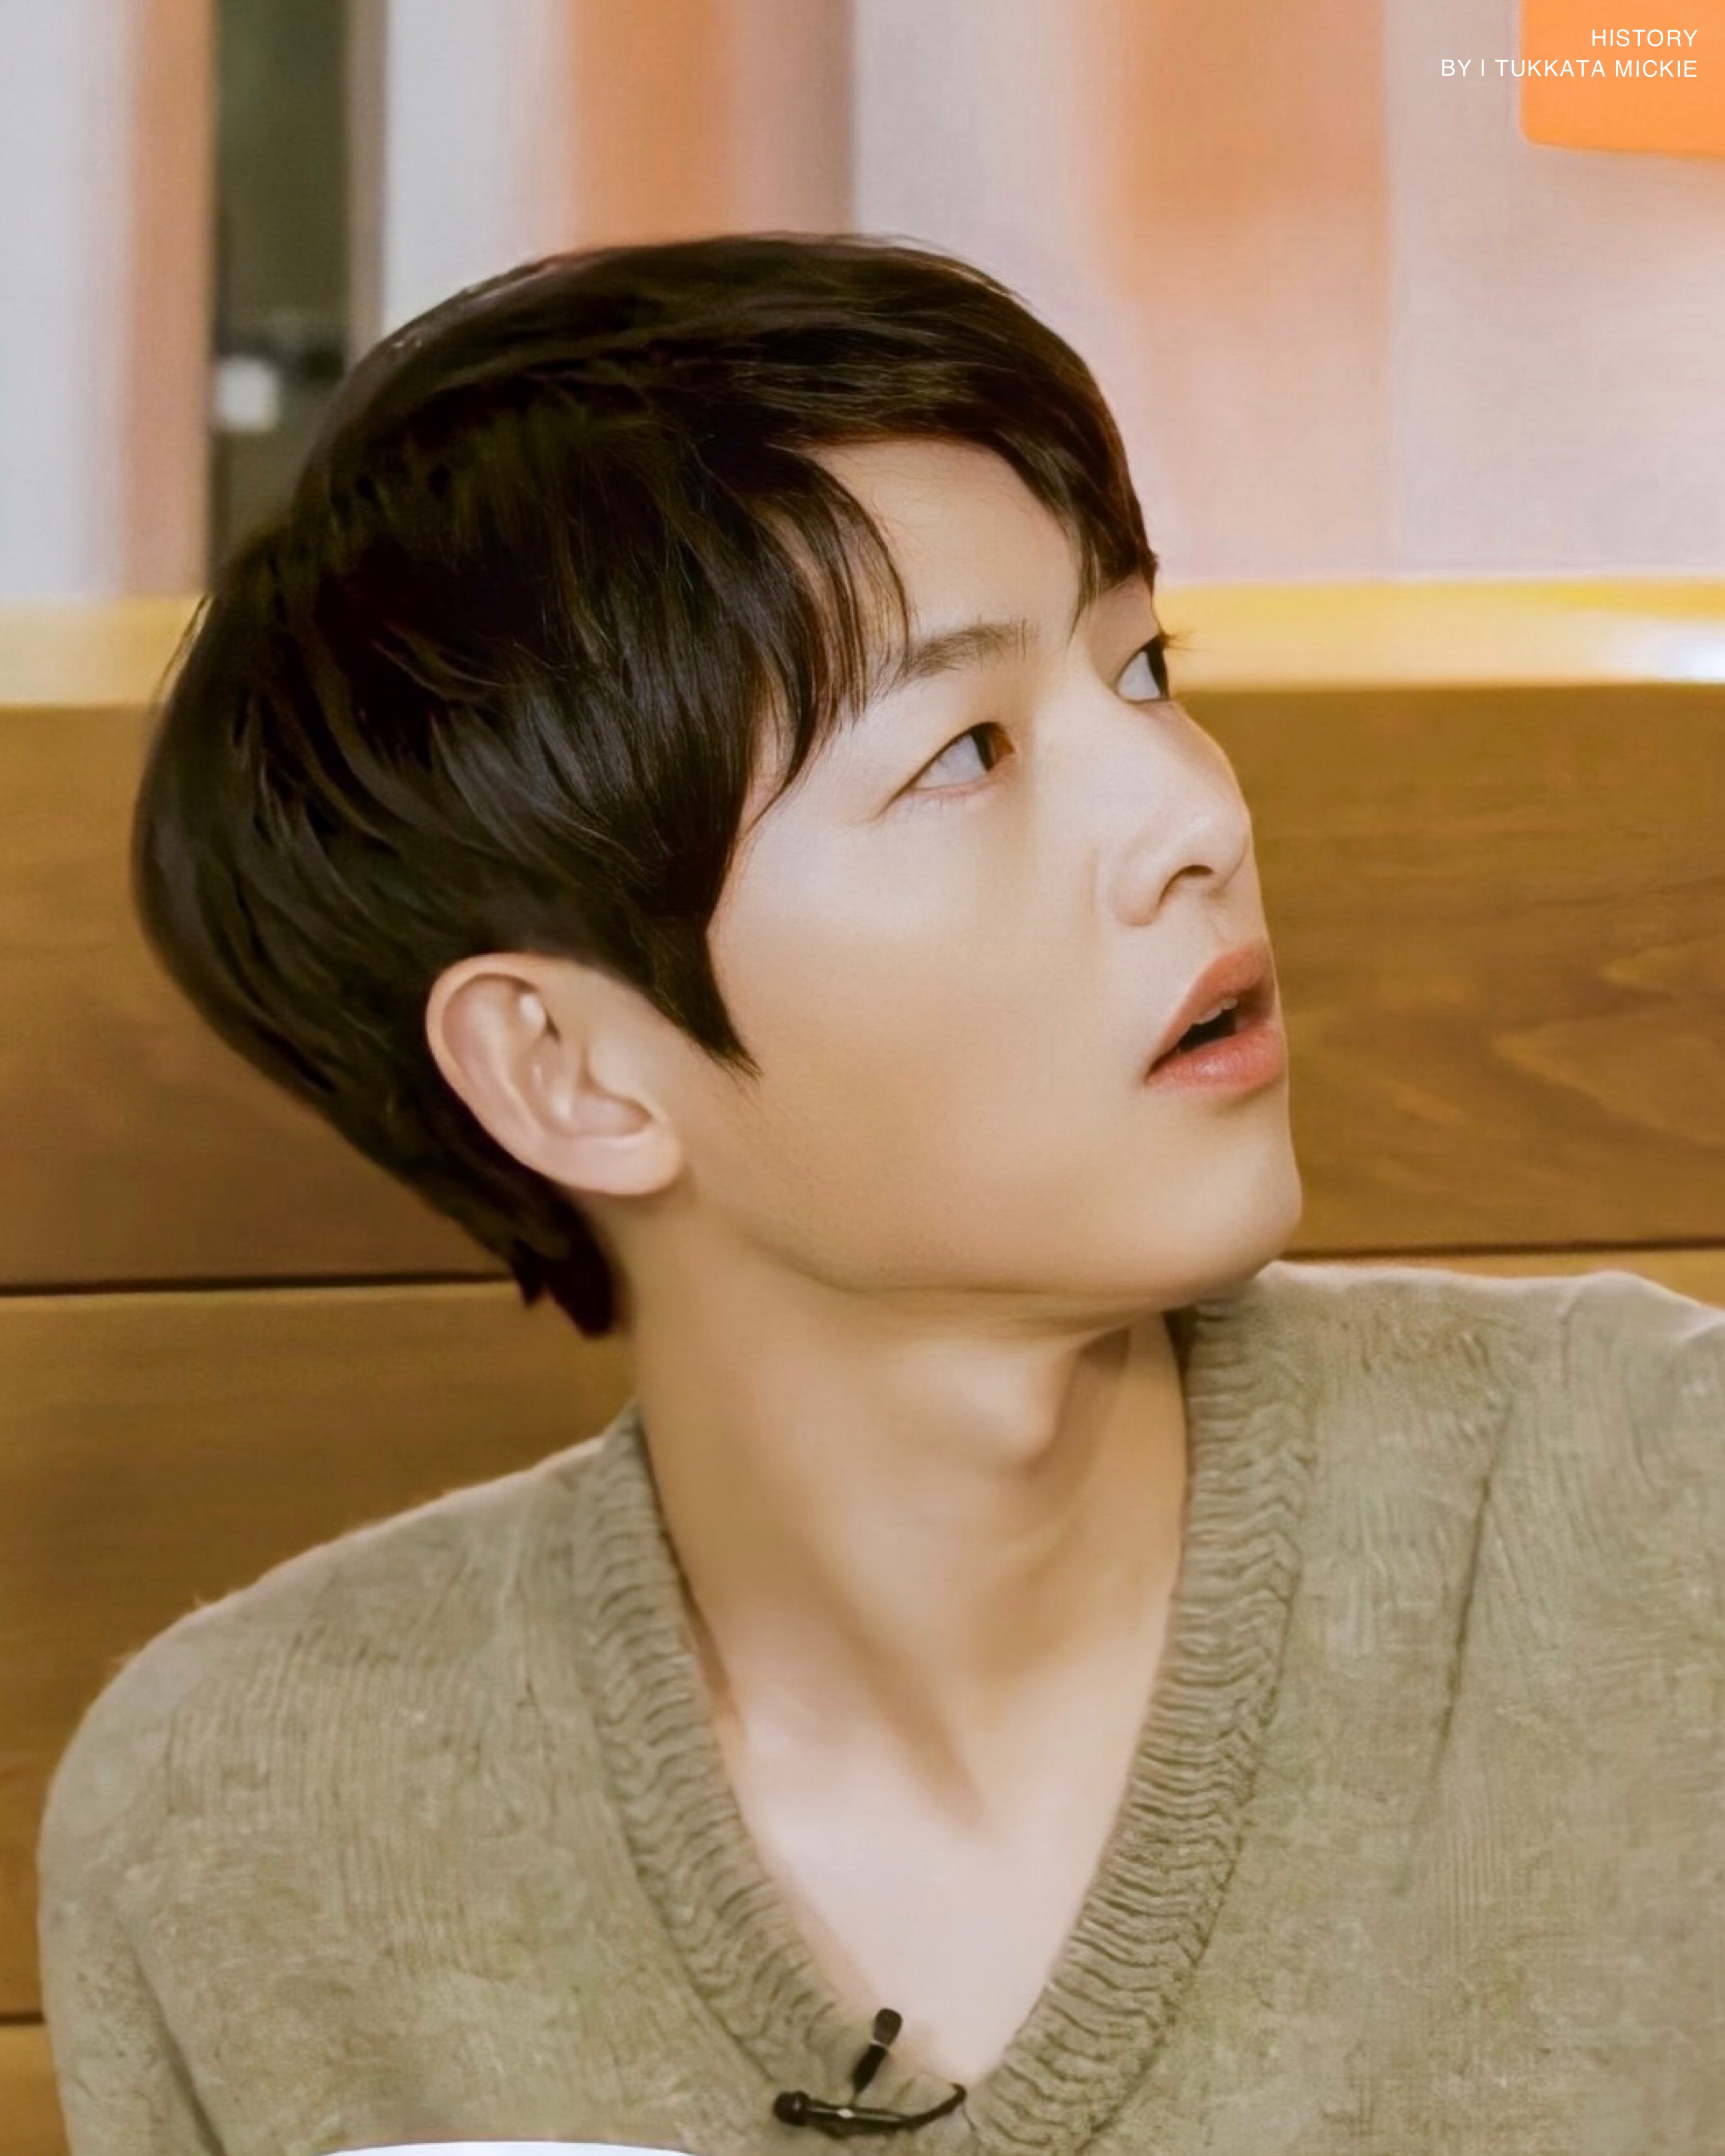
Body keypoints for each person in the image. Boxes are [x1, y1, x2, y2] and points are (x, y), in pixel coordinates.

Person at [36, 232, 1724, 2156]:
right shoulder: (241, 1828)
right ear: (569, 1068)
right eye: (968, 752)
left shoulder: (1659, 1525)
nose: (1195, 815)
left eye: (1144, 668)